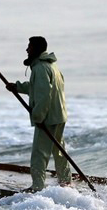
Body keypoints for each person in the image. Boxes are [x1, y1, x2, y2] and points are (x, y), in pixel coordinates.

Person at [5, 36, 69, 191]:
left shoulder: (40, 68)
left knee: (39, 154)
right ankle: (66, 182)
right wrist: (17, 87)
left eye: (30, 47)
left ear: (36, 49)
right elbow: (37, 87)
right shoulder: (52, 66)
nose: (27, 50)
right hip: (59, 115)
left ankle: (37, 187)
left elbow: (43, 95)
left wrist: (38, 117)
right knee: (59, 151)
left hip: (48, 117)